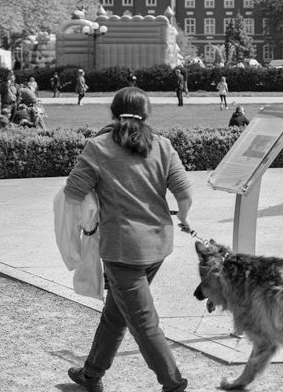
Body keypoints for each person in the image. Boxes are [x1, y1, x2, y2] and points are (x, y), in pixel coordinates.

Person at [62, 87, 193, 392]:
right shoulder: (162, 145)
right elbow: (184, 194)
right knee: (117, 313)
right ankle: (91, 374)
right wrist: (184, 218)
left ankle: (174, 384)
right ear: (147, 115)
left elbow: (72, 194)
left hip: (122, 251)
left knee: (143, 322)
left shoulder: (98, 147)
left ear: (113, 112)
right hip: (159, 245)